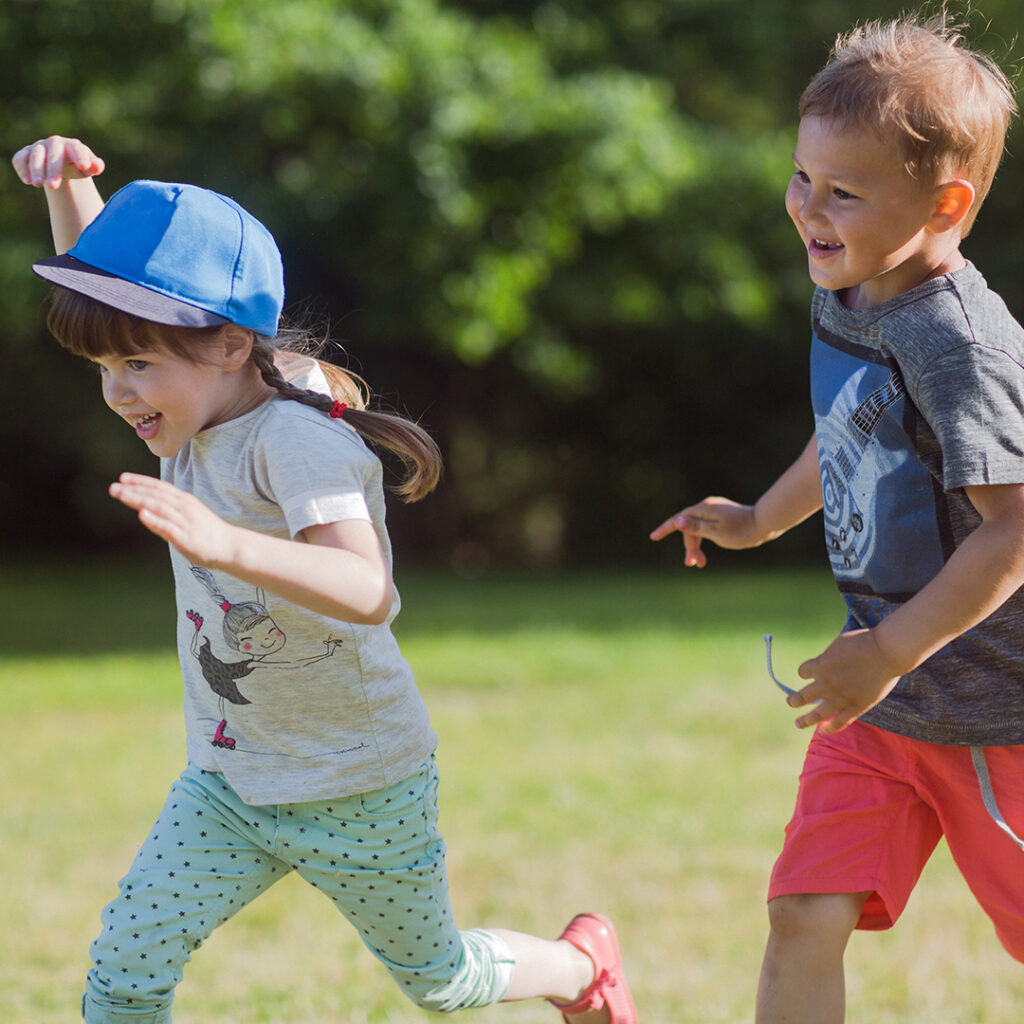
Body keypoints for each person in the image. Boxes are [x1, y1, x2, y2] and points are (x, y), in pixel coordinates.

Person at [12, 135, 637, 1024]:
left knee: (442, 983)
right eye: (105, 367)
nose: (118, 393)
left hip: (359, 786)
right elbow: (118, 304)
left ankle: (582, 970)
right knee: (123, 973)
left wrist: (227, 545)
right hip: (229, 784)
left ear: (231, 345)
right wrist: (75, 188)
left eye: (138, 365)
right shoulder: (189, 411)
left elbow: (367, 590)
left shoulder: (293, 439)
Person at [650, 12, 1024, 1024]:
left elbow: (1013, 529)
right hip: (884, 701)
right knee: (803, 911)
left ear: (943, 203)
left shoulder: (958, 345)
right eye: (802, 178)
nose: (808, 208)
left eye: (843, 191)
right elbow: (856, 423)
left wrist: (891, 647)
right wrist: (760, 516)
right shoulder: (853, 287)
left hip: (998, 713)